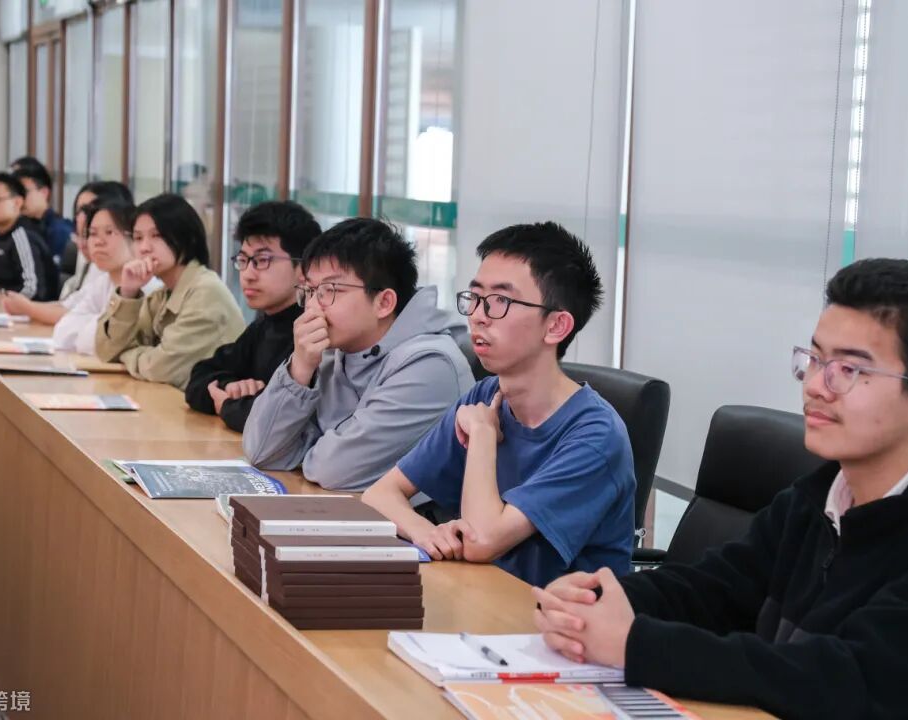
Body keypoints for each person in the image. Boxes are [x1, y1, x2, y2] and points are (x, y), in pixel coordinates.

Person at [534, 258, 908, 720]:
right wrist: (596, 601)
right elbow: (713, 590)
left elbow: (847, 679)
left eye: (848, 369)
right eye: (815, 359)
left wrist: (636, 645)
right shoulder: (814, 499)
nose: (816, 386)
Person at [362, 223, 634, 587]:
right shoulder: (485, 395)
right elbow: (380, 493)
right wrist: (425, 533)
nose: (478, 315)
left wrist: (483, 435)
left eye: (501, 301)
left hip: (556, 615)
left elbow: (481, 541)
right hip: (481, 594)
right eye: (475, 297)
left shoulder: (596, 436)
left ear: (556, 326)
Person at [243, 217, 475, 490]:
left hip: (418, 518)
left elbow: (332, 471)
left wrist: (304, 448)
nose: (312, 308)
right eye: (310, 291)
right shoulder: (333, 352)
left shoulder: (430, 365)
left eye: (329, 290)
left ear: (384, 302)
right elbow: (261, 451)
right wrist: (300, 368)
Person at [185, 201, 321, 432]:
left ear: (303, 268)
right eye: (243, 260)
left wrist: (228, 406)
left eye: (261, 261)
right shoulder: (264, 325)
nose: (247, 274)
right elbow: (198, 378)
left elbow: (282, 418)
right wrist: (231, 386)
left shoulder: (314, 332)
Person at [95, 193, 244, 390]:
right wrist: (128, 292)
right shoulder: (162, 295)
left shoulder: (206, 292)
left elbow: (160, 369)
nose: (144, 248)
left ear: (187, 238)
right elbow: (106, 350)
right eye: (138, 238)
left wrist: (126, 354)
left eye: (156, 236)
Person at [1, 181, 135, 326]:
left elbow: (87, 321)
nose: (83, 215)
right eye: (92, 233)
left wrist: (27, 308)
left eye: (109, 232)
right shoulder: (101, 272)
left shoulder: (131, 276)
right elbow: (72, 308)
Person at [51, 196, 161, 355]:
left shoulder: (150, 288)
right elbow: (62, 332)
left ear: (133, 238)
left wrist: (92, 324)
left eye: (109, 232)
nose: (98, 242)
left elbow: (103, 345)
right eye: (92, 233)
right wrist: (101, 324)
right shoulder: (103, 282)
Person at [0, 172, 58, 300]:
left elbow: (32, 290)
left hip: (28, 310)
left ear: (17, 202)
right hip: (0, 306)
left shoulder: (23, 236)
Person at [13, 164, 74, 262]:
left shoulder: (60, 231)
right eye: (15, 194)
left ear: (44, 192)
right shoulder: (20, 228)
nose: (19, 199)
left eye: (24, 192)